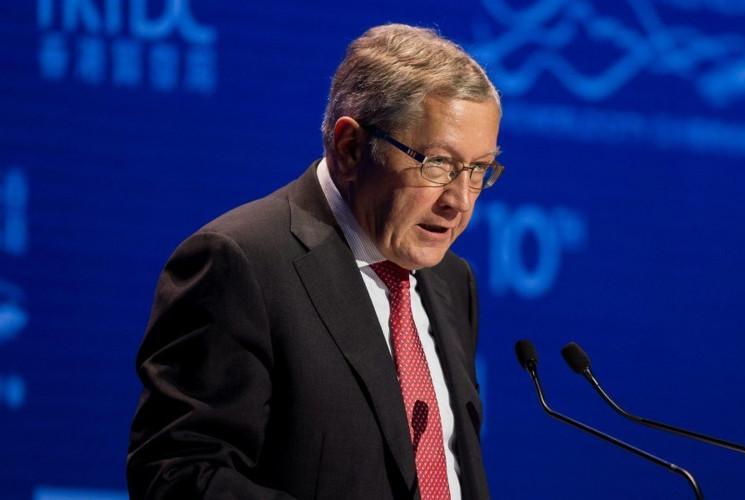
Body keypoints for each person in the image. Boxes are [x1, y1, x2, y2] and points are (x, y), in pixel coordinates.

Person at [127, 23, 502, 499]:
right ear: (350, 148)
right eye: (438, 164)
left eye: (477, 170)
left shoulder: (451, 280)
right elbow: (178, 476)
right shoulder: (242, 263)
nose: (460, 200)